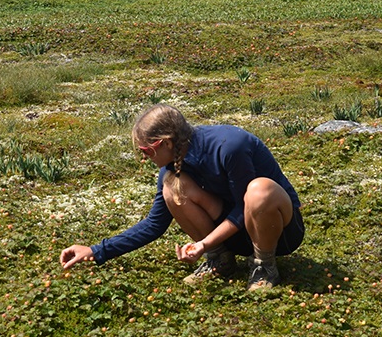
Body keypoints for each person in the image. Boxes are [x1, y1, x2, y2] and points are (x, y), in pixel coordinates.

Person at [59, 104, 303, 291]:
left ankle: (264, 266)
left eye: (146, 151)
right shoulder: (172, 167)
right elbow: (154, 224)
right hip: (236, 235)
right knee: (172, 188)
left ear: (165, 143)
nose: (144, 158)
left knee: (259, 190)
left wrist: (202, 244)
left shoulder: (229, 146)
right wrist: (96, 250)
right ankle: (220, 260)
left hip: (279, 232)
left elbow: (242, 208)